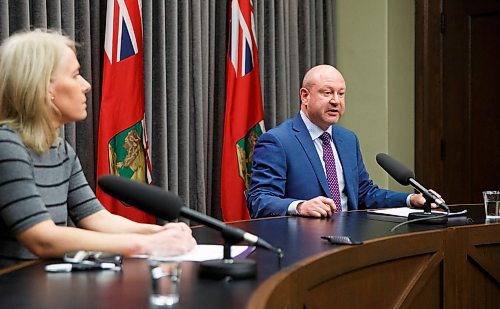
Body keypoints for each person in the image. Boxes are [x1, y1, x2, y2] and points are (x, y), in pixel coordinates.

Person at [0, 29, 196, 268]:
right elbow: (43, 239)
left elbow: (96, 217)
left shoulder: (61, 150)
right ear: (44, 88)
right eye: (75, 75)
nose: (86, 85)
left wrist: (158, 232)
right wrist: (144, 245)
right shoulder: (7, 145)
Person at [247, 64, 442, 218]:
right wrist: (300, 206)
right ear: (305, 96)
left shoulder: (347, 139)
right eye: (327, 93)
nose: (336, 101)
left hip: (349, 241)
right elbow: (259, 200)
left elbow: (364, 193)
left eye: (341, 94)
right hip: (304, 245)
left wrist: (411, 199)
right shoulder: (277, 141)